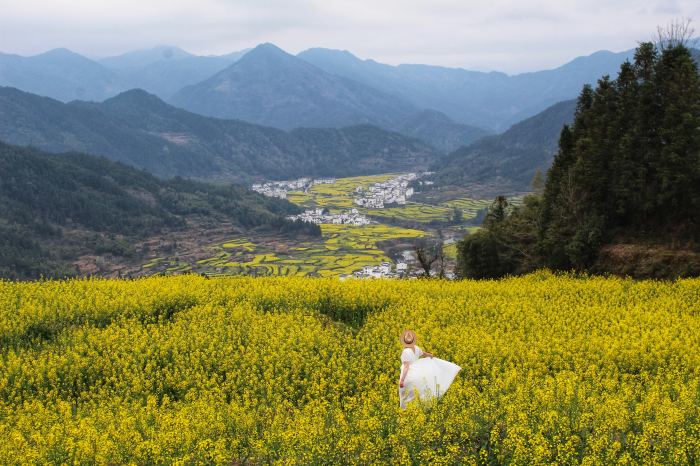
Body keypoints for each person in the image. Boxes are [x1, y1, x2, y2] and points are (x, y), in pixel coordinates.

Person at [398, 329, 461, 410]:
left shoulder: (405, 352)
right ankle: (419, 408)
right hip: (419, 372)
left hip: (410, 375)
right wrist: (430, 355)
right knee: (419, 392)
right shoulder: (416, 348)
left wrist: (402, 380)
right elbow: (423, 354)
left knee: (405, 394)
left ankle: (406, 411)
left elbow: (406, 367)